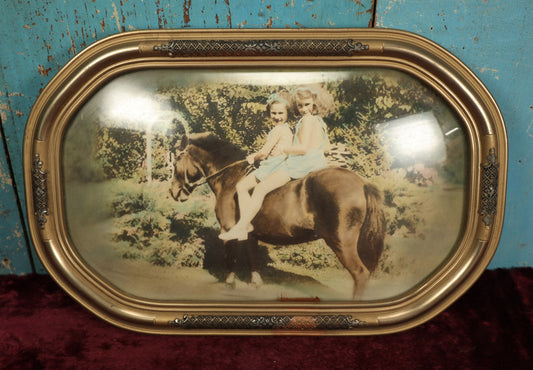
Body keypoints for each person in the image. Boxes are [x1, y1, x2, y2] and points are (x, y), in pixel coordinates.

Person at [219, 85, 335, 241]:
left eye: (306, 104)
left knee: (260, 188)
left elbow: (303, 148)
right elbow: (326, 147)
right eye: (300, 105)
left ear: (314, 102)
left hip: (300, 163)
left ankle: (241, 228)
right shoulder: (320, 121)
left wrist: (284, 148)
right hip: (318, 162)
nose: (303, 109)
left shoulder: (307, 120)